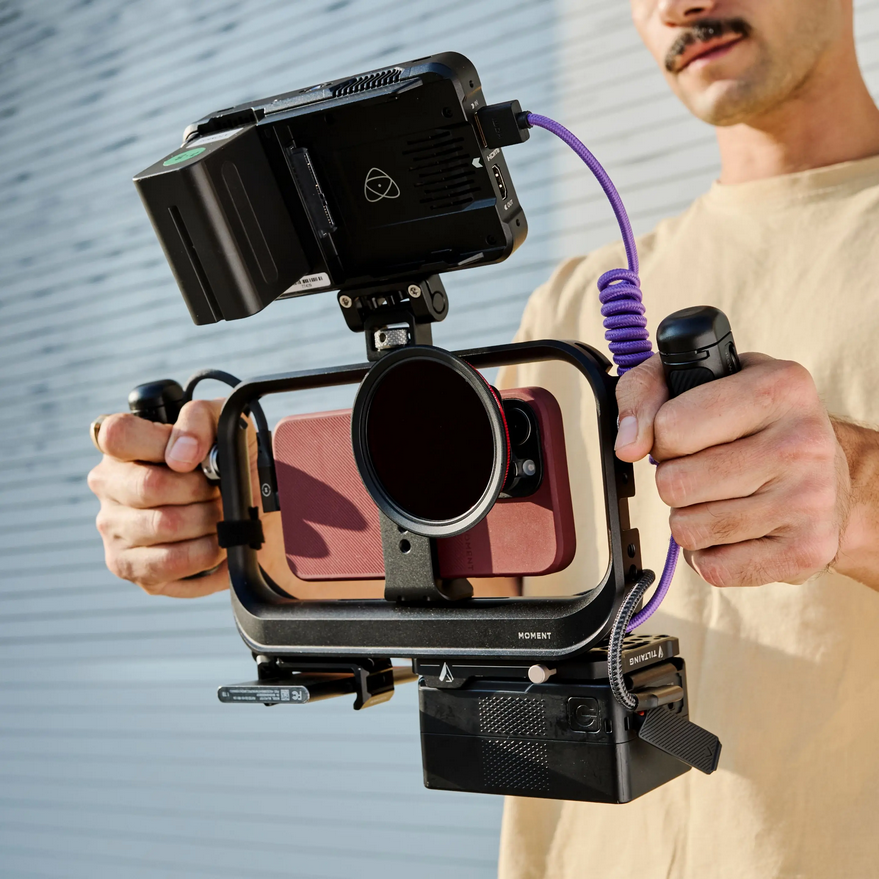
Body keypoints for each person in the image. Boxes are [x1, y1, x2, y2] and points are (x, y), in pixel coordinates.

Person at [87, 0, 879, 876]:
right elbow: (489, 574)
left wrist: (856, 491)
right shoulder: (576, 296)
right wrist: (236, 519)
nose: (675, 6)